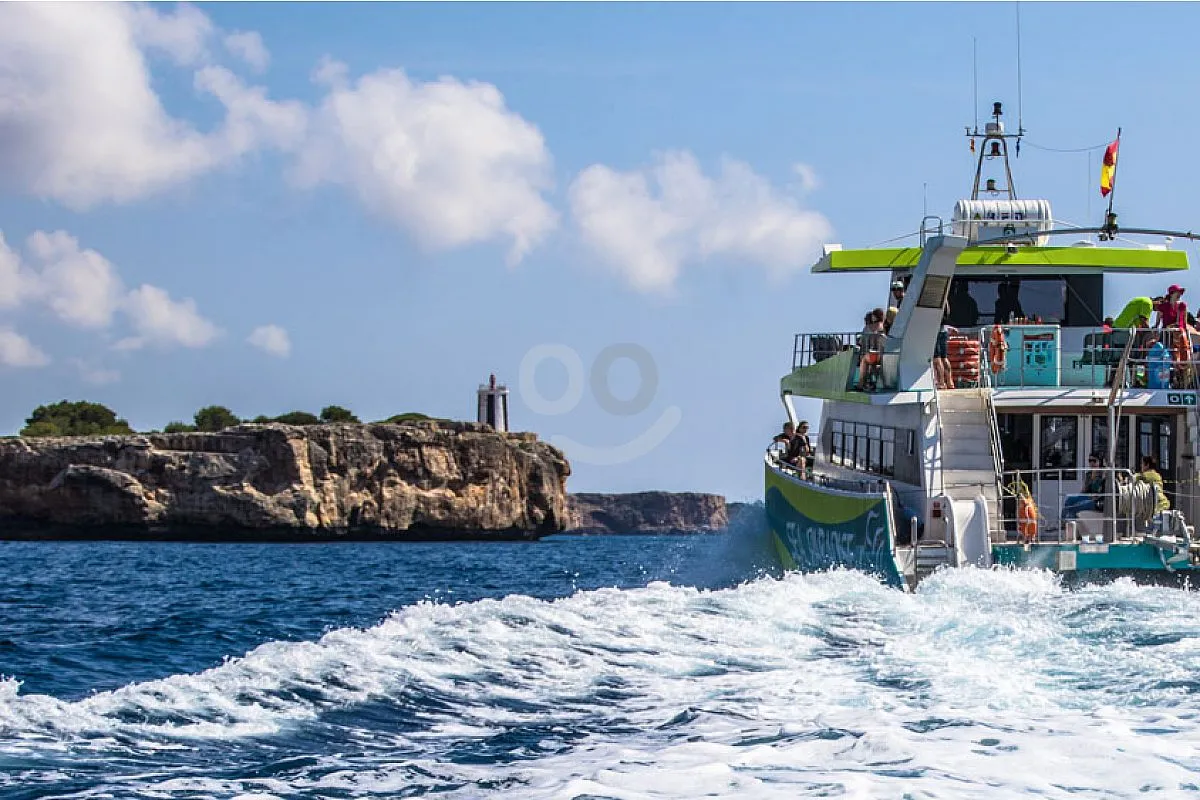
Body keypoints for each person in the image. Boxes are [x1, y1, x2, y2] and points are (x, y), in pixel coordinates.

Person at [1062, 453, 1106, 520]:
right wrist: (1079, 497)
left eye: (1094, 461)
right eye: (1090, 461)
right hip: (1087, 496)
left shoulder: (1103, 473)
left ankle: (1072, 523)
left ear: (1100, 461)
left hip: (1096, 499)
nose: (1092, 463)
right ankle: (1063, 522)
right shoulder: (1088, 474)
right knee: (1069, 500)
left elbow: (1099, 490)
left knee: (1075, 506)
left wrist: (1095, 478)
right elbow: (1084, 490)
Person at [857, 308, 886, 390]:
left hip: (873, 355)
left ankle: (862, 383)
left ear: (875, 317)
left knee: (864, 360)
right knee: (872, 365)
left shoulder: (868, 328)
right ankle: (878, 382)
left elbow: (861, 342)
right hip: (884, 355)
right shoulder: (885, 327)